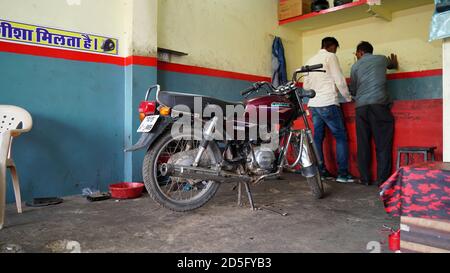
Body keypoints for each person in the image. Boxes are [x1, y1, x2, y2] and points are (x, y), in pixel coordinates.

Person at [303, 37, 354, 183]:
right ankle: (342, 174)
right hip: (328, 103)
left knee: (318, 138)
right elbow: (339, 79)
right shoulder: (331, 56)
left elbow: (306, 86)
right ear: (332, 47)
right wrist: (348, 97)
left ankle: (322, 171)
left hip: (313, 105)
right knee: (341, 137)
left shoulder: (309, 60)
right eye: (336, 48)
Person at [349, 41, 399, 186]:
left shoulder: (355, 66)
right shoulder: (382, 59)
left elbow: (353, 89)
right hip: (379, 106)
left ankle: (365, 179)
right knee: (383, 144)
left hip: (361, 108)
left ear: (360, 52)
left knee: (363, 144)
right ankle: (383, 180)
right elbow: (391, 65)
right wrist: (394, 63)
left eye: (356, 54)